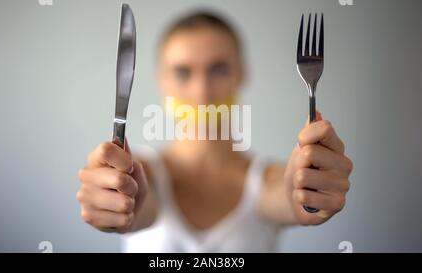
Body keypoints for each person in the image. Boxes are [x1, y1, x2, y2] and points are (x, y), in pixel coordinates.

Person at [76, 10, 353, 252]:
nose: (202, 92)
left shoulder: (272, 180)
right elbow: (141, 204)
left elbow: (288, 194)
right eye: (183, 72)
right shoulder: (140, 175)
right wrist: (119, 204)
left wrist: (305, 196)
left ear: (242, 73)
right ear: (162, 80)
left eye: (218, 69)